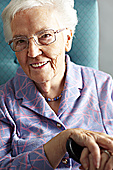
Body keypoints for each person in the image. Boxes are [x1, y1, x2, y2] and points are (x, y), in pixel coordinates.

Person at [0, 0, 113, 169]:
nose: (32, 52)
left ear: (67, 38)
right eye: (21, 41)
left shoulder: (103, 87)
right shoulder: (3, 103)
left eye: (45, 36)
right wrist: (60, 144)